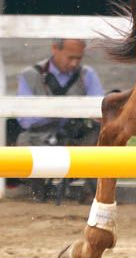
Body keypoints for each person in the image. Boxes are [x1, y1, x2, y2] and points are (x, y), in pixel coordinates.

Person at [16, 38, 104, 201]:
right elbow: (24, 119)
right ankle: (39, 191)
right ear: (55, 49)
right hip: (41, 136)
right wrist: (56, 112)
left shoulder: (87, 74)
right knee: (23, 142)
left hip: (77, 136)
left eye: (78, 58)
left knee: (102, 136)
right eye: (70, 57)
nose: (74, 63)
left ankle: (92, 193)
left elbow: (99, 111)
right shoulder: (30, 75)